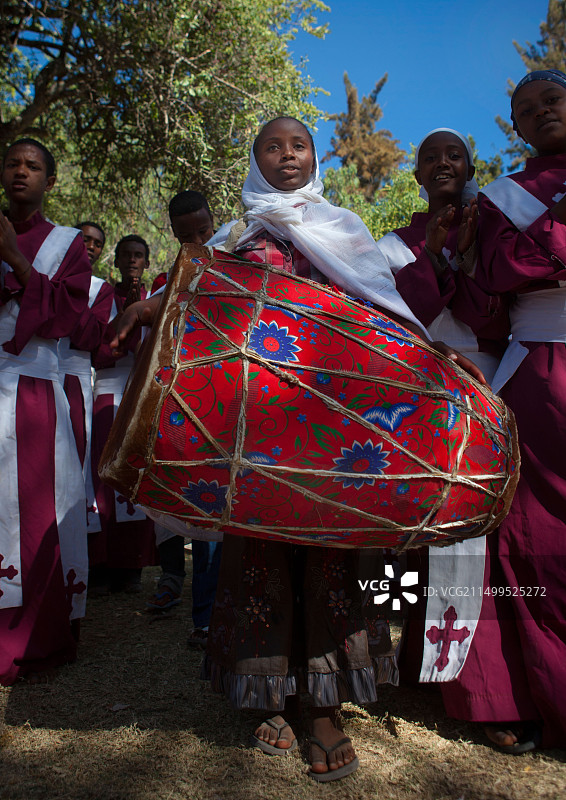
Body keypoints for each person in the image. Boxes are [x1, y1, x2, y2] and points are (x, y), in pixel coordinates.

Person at [440, 70, 566, 753]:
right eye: (526, 110)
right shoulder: (505, 197)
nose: (542, 113)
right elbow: (501, 272)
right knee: (535, 544)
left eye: (553, 99)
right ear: (514, 128)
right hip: (543, 368)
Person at [374, 129, 510, 688]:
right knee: (410, 525)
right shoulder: (393, 243)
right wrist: (430, 254)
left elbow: (498, 317)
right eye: (429, 156)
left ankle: (472, 674)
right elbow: (392, 318)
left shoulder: (497, 227)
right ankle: (398, 657)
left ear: (470, 164)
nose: (442, 163)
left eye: (453, 154)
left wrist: (473, 250)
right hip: (418, 390)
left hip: (485, 382)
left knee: (477, 527)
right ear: (416, 175)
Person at [0, 138, 91, 684]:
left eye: (33, 167)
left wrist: (14, 260)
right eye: (11, 163)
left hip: (33, 390)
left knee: (34, 517)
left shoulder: (67, 245)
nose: (20, 172)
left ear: (50, 182)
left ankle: (32, 637)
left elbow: (67, 318)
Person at [145, 191, 223, 651]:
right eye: (187, 236)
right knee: (203, 512)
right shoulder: (171, 281)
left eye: (204, 231)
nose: (198, 241)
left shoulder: (237, 261)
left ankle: (220, 615)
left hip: (239, 404)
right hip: (192, 407)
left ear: (216, 223)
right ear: (174, 236)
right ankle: (204, 619)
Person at [89, 234, 158, 595]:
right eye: (126, 255)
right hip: (108, 393)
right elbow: (97, 350)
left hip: (141, 396)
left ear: (146, 262)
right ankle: (100, 562)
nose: (132, 261)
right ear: (115, 261)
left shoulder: (155, 300)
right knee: (104, 480)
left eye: (139, 256)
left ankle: (131, 565)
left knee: (135, 477)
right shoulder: (101, 297)